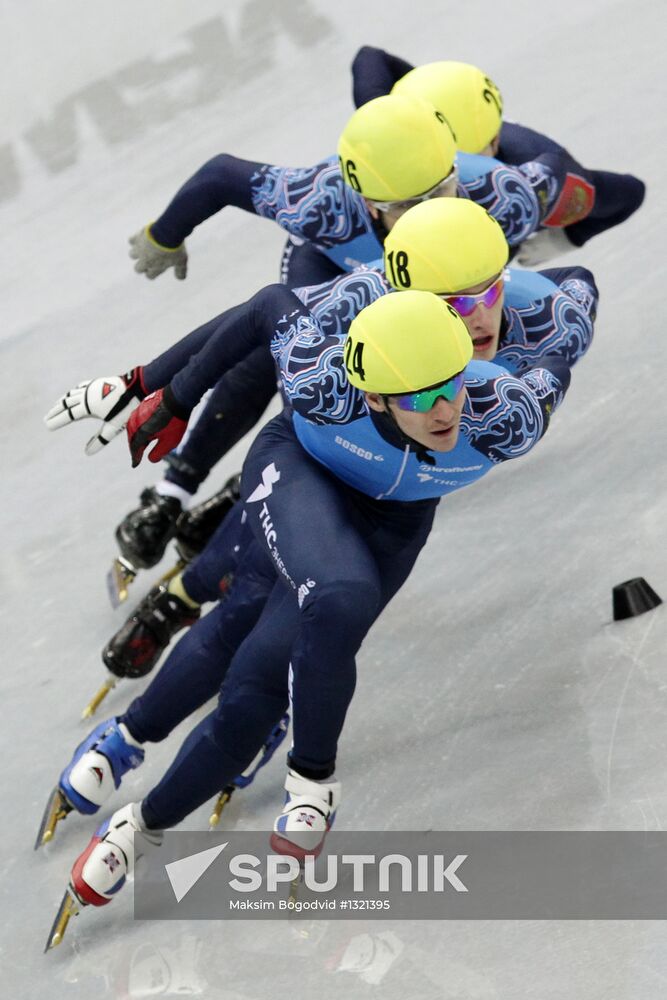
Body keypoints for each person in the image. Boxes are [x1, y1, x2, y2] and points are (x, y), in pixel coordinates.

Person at [53, 287, 573, 917]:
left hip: (393, 523)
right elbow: (265, 304)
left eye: (451, 385)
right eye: (418, 396)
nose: (443, 411)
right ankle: (308, 781)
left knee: (257, 686)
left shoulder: (505, 416)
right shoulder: (322, 381)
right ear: (374, 394)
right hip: (301, 470)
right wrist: (162, 391)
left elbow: (567, 327)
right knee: (326, 597)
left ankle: (140, 826)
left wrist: (548, 298)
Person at [110, 89, 565, 578]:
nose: (423, 215)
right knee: (285, 359)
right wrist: (165, 235)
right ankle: (173, 492)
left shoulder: (502, 197)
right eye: (406, 204)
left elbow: (575, 175)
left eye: (440, 192)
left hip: (419, 301)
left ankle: (240, 498)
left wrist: (565, 235)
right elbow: (221, 175)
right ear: (364, 201)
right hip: (335, 276)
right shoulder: (322, 199)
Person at [351, 48, 646, 264]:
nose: (434, 187)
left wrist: (565, 238)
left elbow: (630, 193)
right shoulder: (389, 124)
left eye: (461, 165)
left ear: (496, 142)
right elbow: (369, 57)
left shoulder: (545, 181)